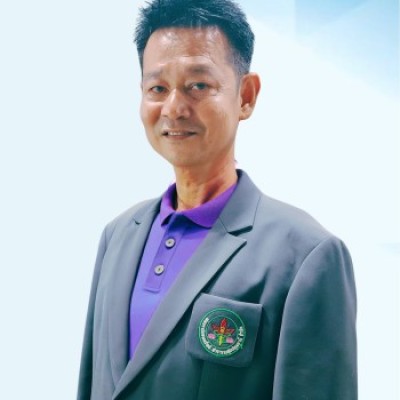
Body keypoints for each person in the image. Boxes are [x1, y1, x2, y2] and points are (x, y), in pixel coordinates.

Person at [77, 0, 357, 399]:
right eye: (158, 88)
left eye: (198, 86)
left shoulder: (305, 256)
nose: (174, 108)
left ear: (246, 95)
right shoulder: (117, 236)